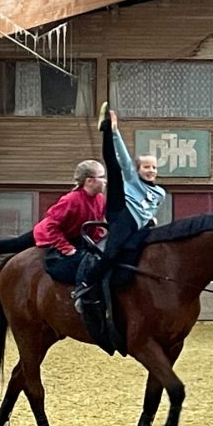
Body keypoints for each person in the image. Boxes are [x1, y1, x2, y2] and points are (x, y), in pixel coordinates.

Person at [71, 102, 166, 306]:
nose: (151, 170)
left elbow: (149, 211)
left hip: (134, 225)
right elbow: (123, 158)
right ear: (139, 169)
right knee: (114, 168)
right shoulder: (133, 180)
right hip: (120, 211)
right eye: (146, 167)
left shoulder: (160, 193)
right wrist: (115, 132)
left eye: (154, 167)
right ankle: (85, 285)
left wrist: (150, 221)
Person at [0, 160, 107, 280]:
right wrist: (65, 248)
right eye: (101, 177)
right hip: (48, 234)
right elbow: (52, 226)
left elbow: (95, 226)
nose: (105, 181)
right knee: (12, 245)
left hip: (75, 237)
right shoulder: (71, 200)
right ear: (89, 181)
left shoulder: (100, 199)